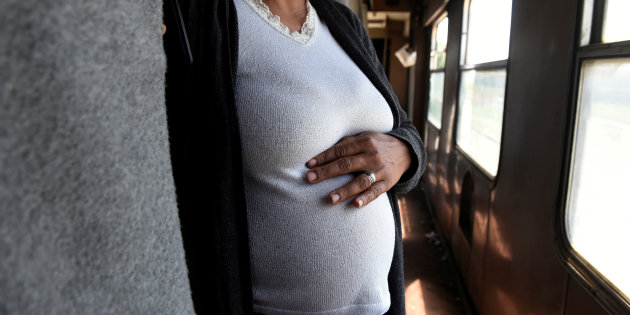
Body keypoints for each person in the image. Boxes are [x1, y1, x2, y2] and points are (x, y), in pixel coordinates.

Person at [163, 0, 426, 313]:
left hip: (378, 305)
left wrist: (406, 151)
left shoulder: (343, 21)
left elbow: (402, 125)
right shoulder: (200, 16)